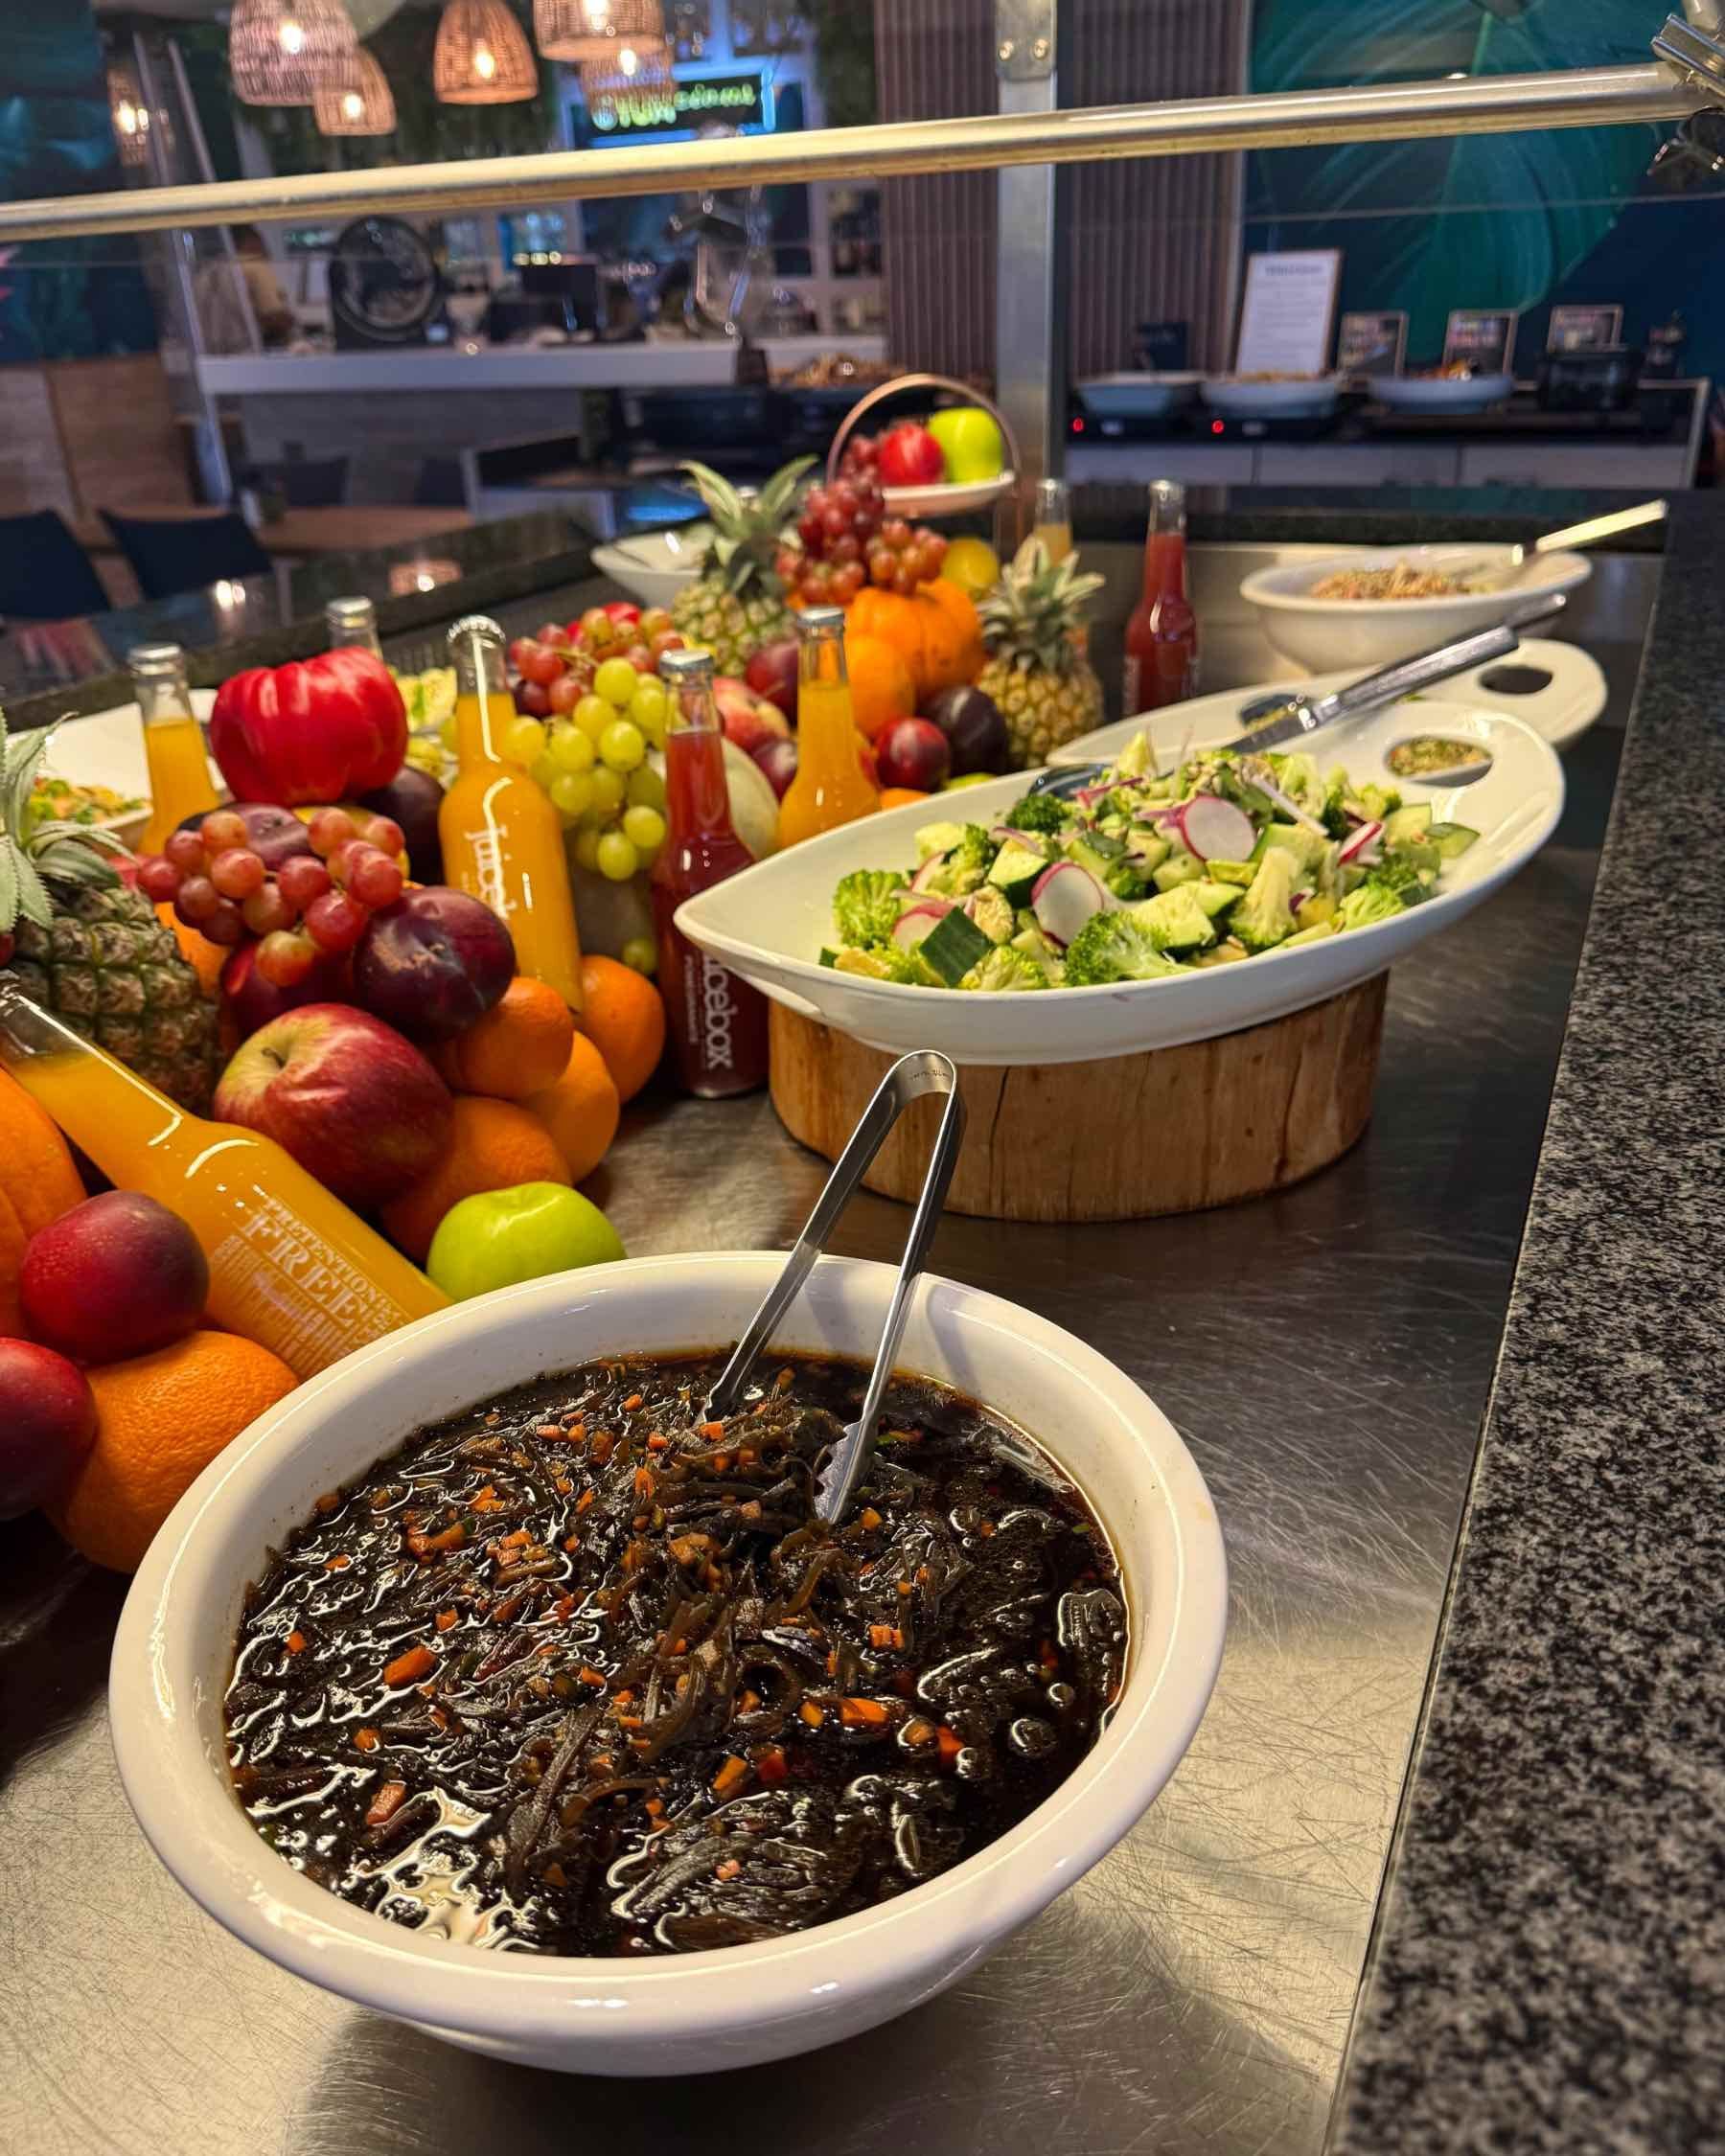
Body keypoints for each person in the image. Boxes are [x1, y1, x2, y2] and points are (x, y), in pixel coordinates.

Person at [196, 225, 295, 353]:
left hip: (210, 356)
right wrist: (294, 322)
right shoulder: (256, 267)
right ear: (250, 241)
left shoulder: (204, 274)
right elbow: (273, 317)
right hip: (249, 353)